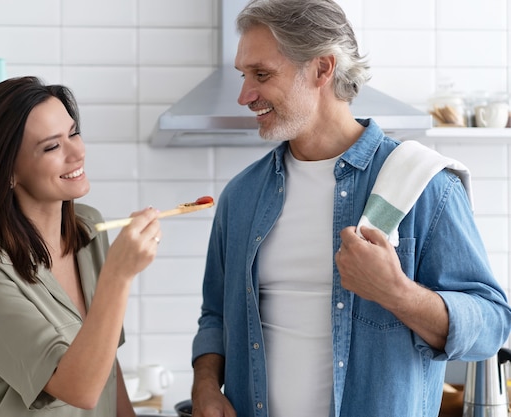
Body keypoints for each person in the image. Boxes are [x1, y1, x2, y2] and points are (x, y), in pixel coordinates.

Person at [190, 1, 511, 416]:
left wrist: (397, 293)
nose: (244, 95)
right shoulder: (241, 196)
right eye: (243, 75)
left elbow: (491, 325)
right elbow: (215, 315)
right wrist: (205, 386)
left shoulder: (423, 183)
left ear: (322, 69)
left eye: (262, 75)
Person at [0, 76, 162, 417]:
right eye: (51, 146)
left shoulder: (89, 229)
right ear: (7, 173)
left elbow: (105, 363)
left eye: (73, 133)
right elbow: (78, 389)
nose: (77, 152)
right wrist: (119, 275)